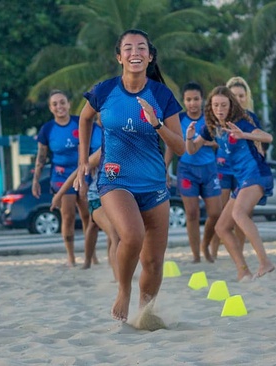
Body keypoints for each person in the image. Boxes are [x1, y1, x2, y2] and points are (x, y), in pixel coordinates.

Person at [75, 29, 185, 322]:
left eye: (141, 48)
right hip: (115, 180)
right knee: (132, 236)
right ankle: (123, 291)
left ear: (150, 57)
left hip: (153, 185)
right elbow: (85, 119)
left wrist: (157, 123)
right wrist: (84, 160)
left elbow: (181, 147)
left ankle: (144, 313)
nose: (134, 52)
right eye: (128, 48)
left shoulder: (161, 95)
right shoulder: (104, 90)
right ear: (119, 57)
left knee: (153, 261)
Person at [187, 86, 274, 281]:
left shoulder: (241, 123)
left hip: (257, 173)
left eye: (224, 105)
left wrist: (245, 135)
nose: (219, 109)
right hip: (243, 180)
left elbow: (268, 137)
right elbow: (192, 150)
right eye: (216, 105)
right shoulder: (212, 128)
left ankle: (265, 262)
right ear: (210, 107)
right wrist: (188, 137)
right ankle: (243, 270)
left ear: (231, 105)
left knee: (239, 213)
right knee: (222, 227)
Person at [33, 90, 101, 267]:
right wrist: (35, 180)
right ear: (50, 108)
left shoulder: (80, 122)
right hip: (61, 176)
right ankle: (71, 257)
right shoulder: (47, 129)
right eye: (54, 104)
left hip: (83, 172)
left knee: (89, 216)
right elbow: (41, 157)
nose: (59, 107)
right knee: (68, 215)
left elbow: (96, 140)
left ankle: (90, 255)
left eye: (62, 102)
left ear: (69, 104)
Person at [165, 82, 221, 263]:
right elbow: (171, 145)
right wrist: (164, 168)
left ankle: (205, 245)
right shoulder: (178, 120)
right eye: (188, 100)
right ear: (184, 101)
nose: (192, 103)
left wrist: (204, 142)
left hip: (209, 169)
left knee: (215, 213)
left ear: (202, 99)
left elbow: (221, 142)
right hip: (187, 170)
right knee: (192, 214)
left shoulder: (211, 118)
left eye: (196, 99)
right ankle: (196, 255)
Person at [209, 76, 262, 258]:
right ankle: (213, 251)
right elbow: (211, 139)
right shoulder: (218, 117)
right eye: (234, 95)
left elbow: (259, 143)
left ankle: (238, 250)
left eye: (242, 95)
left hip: (246, 172)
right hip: (223, 169)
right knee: (222, 214)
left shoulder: (250, 118)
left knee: (243, 214)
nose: (238, 99)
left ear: (246, 96)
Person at [51, 148, 120, 281]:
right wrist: (59, 195)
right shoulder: (106, 148)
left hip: (117, 199)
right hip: (97, 199)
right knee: (112, 233)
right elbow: (77, 172)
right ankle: (118, 279)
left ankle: (118, 269)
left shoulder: (134, 146)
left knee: (120, 234)